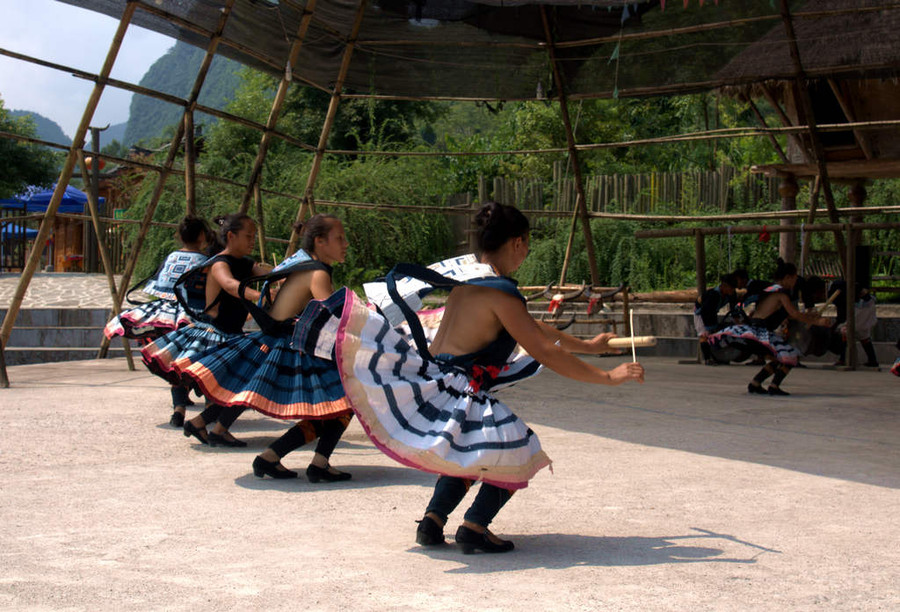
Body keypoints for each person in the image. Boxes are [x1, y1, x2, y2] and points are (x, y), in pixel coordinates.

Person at [298, 202, 644, 554]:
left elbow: (533, 328)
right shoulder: (500, 292)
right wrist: (608, 377)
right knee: (519, 448)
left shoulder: (469, 286)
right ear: (518, 243)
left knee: (473, 450)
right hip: (460, 390)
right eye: (527, 245)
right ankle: (475, 526)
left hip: (442, 384)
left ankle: (433, 521)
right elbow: (544, 349)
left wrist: (589, 345)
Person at [176, 214, 355, 481]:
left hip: (282, 342)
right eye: (339, 238)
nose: (346, 244)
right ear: (319, 241)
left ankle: (277, 457)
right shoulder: (315, 271)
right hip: (283, 346)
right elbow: (334, 315)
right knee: (342, 399)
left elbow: (276, 275)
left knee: (337, 403)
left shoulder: (305, 266)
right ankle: (298, 460)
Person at [141, 213, 270, 447]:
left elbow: (268, 273)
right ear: (231, 236)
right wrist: (261, 296)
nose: (252, 240)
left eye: (254, 236)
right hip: (214, 336)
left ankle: (208, 425)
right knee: (235, 385)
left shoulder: (246, 262)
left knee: (244, 385)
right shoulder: (218, 264)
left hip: (233, 335)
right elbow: (231, 286)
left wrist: (289, 276)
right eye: (248, 236)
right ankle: (201, 422)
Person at [105, 216, 212, 427]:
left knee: (174, 365)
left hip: (164, 316)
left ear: (179, 236)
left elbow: (159, 284)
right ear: (202, 236)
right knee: (204, 363)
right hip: (192, 317)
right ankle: (209, 412)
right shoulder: (205, 263)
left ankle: (178, 410)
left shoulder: (171, 257)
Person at [709, 259, 831, 396]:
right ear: (788, 277)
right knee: (790, 357)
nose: (795, 282)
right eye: (795, 279)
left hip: (756, 329)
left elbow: (786, 315)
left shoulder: (769, 290)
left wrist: (811, 318)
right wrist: (818, 322)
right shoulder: (781, 294)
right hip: (759, 332)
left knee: (778, 358)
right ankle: (773, 386)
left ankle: (756, 383)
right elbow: (794, 314)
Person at [827, 280, 879, 368]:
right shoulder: (842, 287)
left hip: (860, 308)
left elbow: (842, 315)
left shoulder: (838, 292)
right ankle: (872, 360)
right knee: (864, 335)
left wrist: (833, 327)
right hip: (868, 305)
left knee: (844, 331)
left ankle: (843, 359)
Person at [694, 273, 737, 365]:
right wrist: (707, 327)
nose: (732, 290)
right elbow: (705, 311)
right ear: (724, 286)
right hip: (701, 313)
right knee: (704, 334)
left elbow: (733, 308)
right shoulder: (713, 294)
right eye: (731, 288)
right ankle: (707, 359)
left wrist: (737, 320)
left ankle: (718, 357)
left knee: (714, 334)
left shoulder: (731, 294)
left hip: (713, 312)